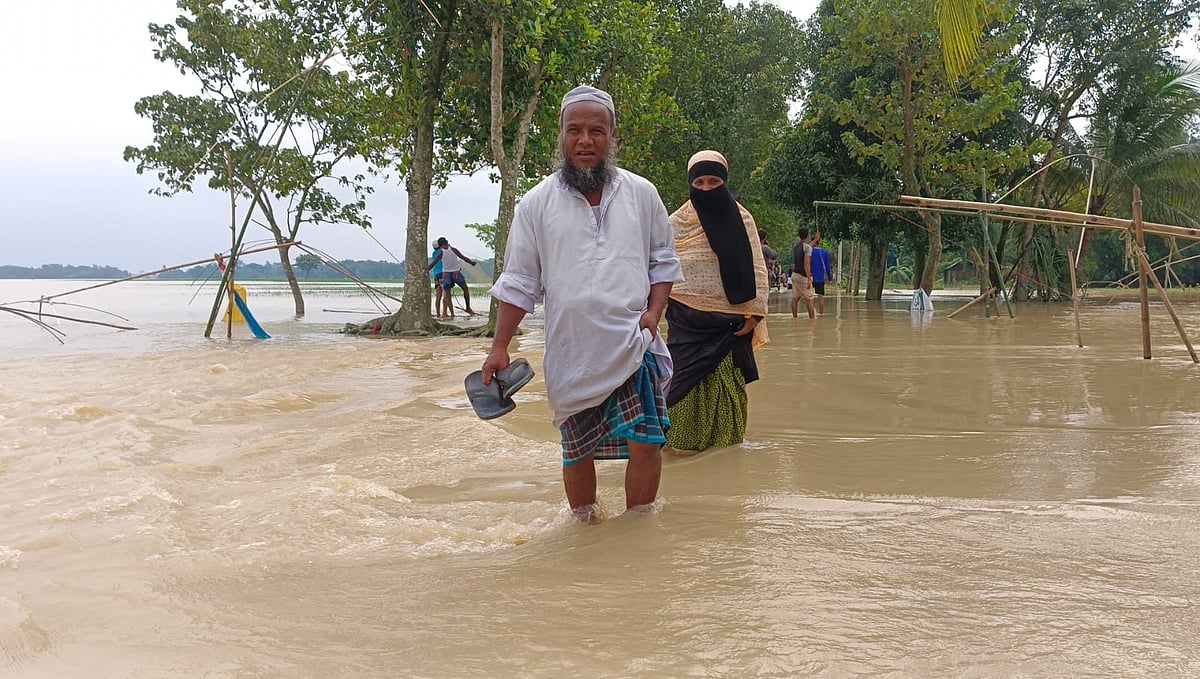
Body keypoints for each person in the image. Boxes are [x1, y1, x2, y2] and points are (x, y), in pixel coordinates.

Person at [481, 85, 683, 522]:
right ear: (561, 136)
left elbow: (663, 261)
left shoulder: (643, 193)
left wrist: (654, 313)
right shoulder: (536, 203)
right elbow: (519, 283)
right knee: (577, 450)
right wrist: (499, 347)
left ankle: (638, 528)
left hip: (633, 343)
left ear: (613, 136)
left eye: (596, 130)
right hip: (571, 352)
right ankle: (584, 529)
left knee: (646, 442)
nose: (585, 141)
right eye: (574, 130)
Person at [664, 151, 769, 453]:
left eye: (714, 181)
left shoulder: (743, 219)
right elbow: (659, 271)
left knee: (727, 394)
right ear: (691, 184)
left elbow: (758, 268)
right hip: (685, 323)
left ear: (724, 182)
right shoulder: (675, 223)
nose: (707, 188)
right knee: (679, 394)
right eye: (699, 182)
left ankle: (725, 457)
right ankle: (678, 455)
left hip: (732, 324)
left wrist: (755, 315)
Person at [428, 237, 478, 317]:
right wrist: (471, 262)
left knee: (447, 295)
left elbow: (433, 264)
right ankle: (468, 308)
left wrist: (425, 269)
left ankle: (452, 314)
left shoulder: (440, 253)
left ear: (440, 246)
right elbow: (463, 257)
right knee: (465, 289)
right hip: (456, 274)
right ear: (447, 242)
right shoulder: (453, 250)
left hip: (446, 275)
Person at [790, 227, 815, 319]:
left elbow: (808, 247)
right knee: (809, 299)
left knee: (795, 298)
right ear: (808, 235)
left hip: (794, 275)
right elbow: (806, 264)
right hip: (803, 276)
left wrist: (815, 240)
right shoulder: (808, 247)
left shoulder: (796, 247)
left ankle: (795, 319)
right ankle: (812, 321)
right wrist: (809, 279)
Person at [811, 234, 833, 315]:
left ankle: (812, 314)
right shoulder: (824, 253)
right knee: (821, 297)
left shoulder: (810, 252)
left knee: (810, 298)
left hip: (810, 277)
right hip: (820, 278)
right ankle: (821, 314)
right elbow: (828, 267)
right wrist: (830, 278)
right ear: (819, 242)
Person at [429, 241, 445, 318]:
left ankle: (438, 314)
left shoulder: (434, 253)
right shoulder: (443, 251)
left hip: (436, 275)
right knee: (446, 294)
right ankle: (445, 313)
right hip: (443, 273)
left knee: (438, 296)